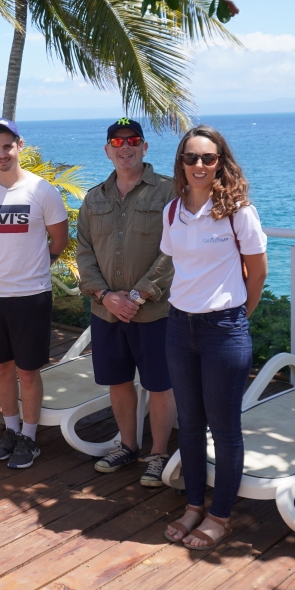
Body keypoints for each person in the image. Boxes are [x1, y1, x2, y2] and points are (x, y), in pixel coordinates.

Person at [159, 125, 268, 550]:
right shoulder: (173, 211)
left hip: (223, 328)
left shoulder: (238, 210)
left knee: (224, 429)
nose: (199, 165)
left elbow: (256, 272)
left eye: (208, 158)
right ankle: (192, 506)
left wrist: (239, 314)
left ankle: (220, 515)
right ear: (181, 164)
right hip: (178, 326)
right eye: (191, 158)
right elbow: (179, 265)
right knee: (189, 424)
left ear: (221, 161)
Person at [76, 118, 177, 486]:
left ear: (145, 147)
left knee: (159, 384)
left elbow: (174, 250)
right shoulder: (95, 197)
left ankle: (159, 453)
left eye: (133, 140)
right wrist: (106, 296)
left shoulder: (168, 191)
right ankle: (129, 446)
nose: (125, 147)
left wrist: (137, 295)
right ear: (107, 150)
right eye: (117, 142)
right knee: (118, 381)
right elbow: (84, 253)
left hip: (153, 312)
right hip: (107, 311)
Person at [0, 118, 69, 469]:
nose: (0, 154)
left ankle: (30, 436)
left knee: (28, 371)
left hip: (32, 296)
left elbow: (59, 240)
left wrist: (36, 264)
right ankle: (10, 430)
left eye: (6, 146)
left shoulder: (43, 191)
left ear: (19, 146)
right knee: (1, 368)